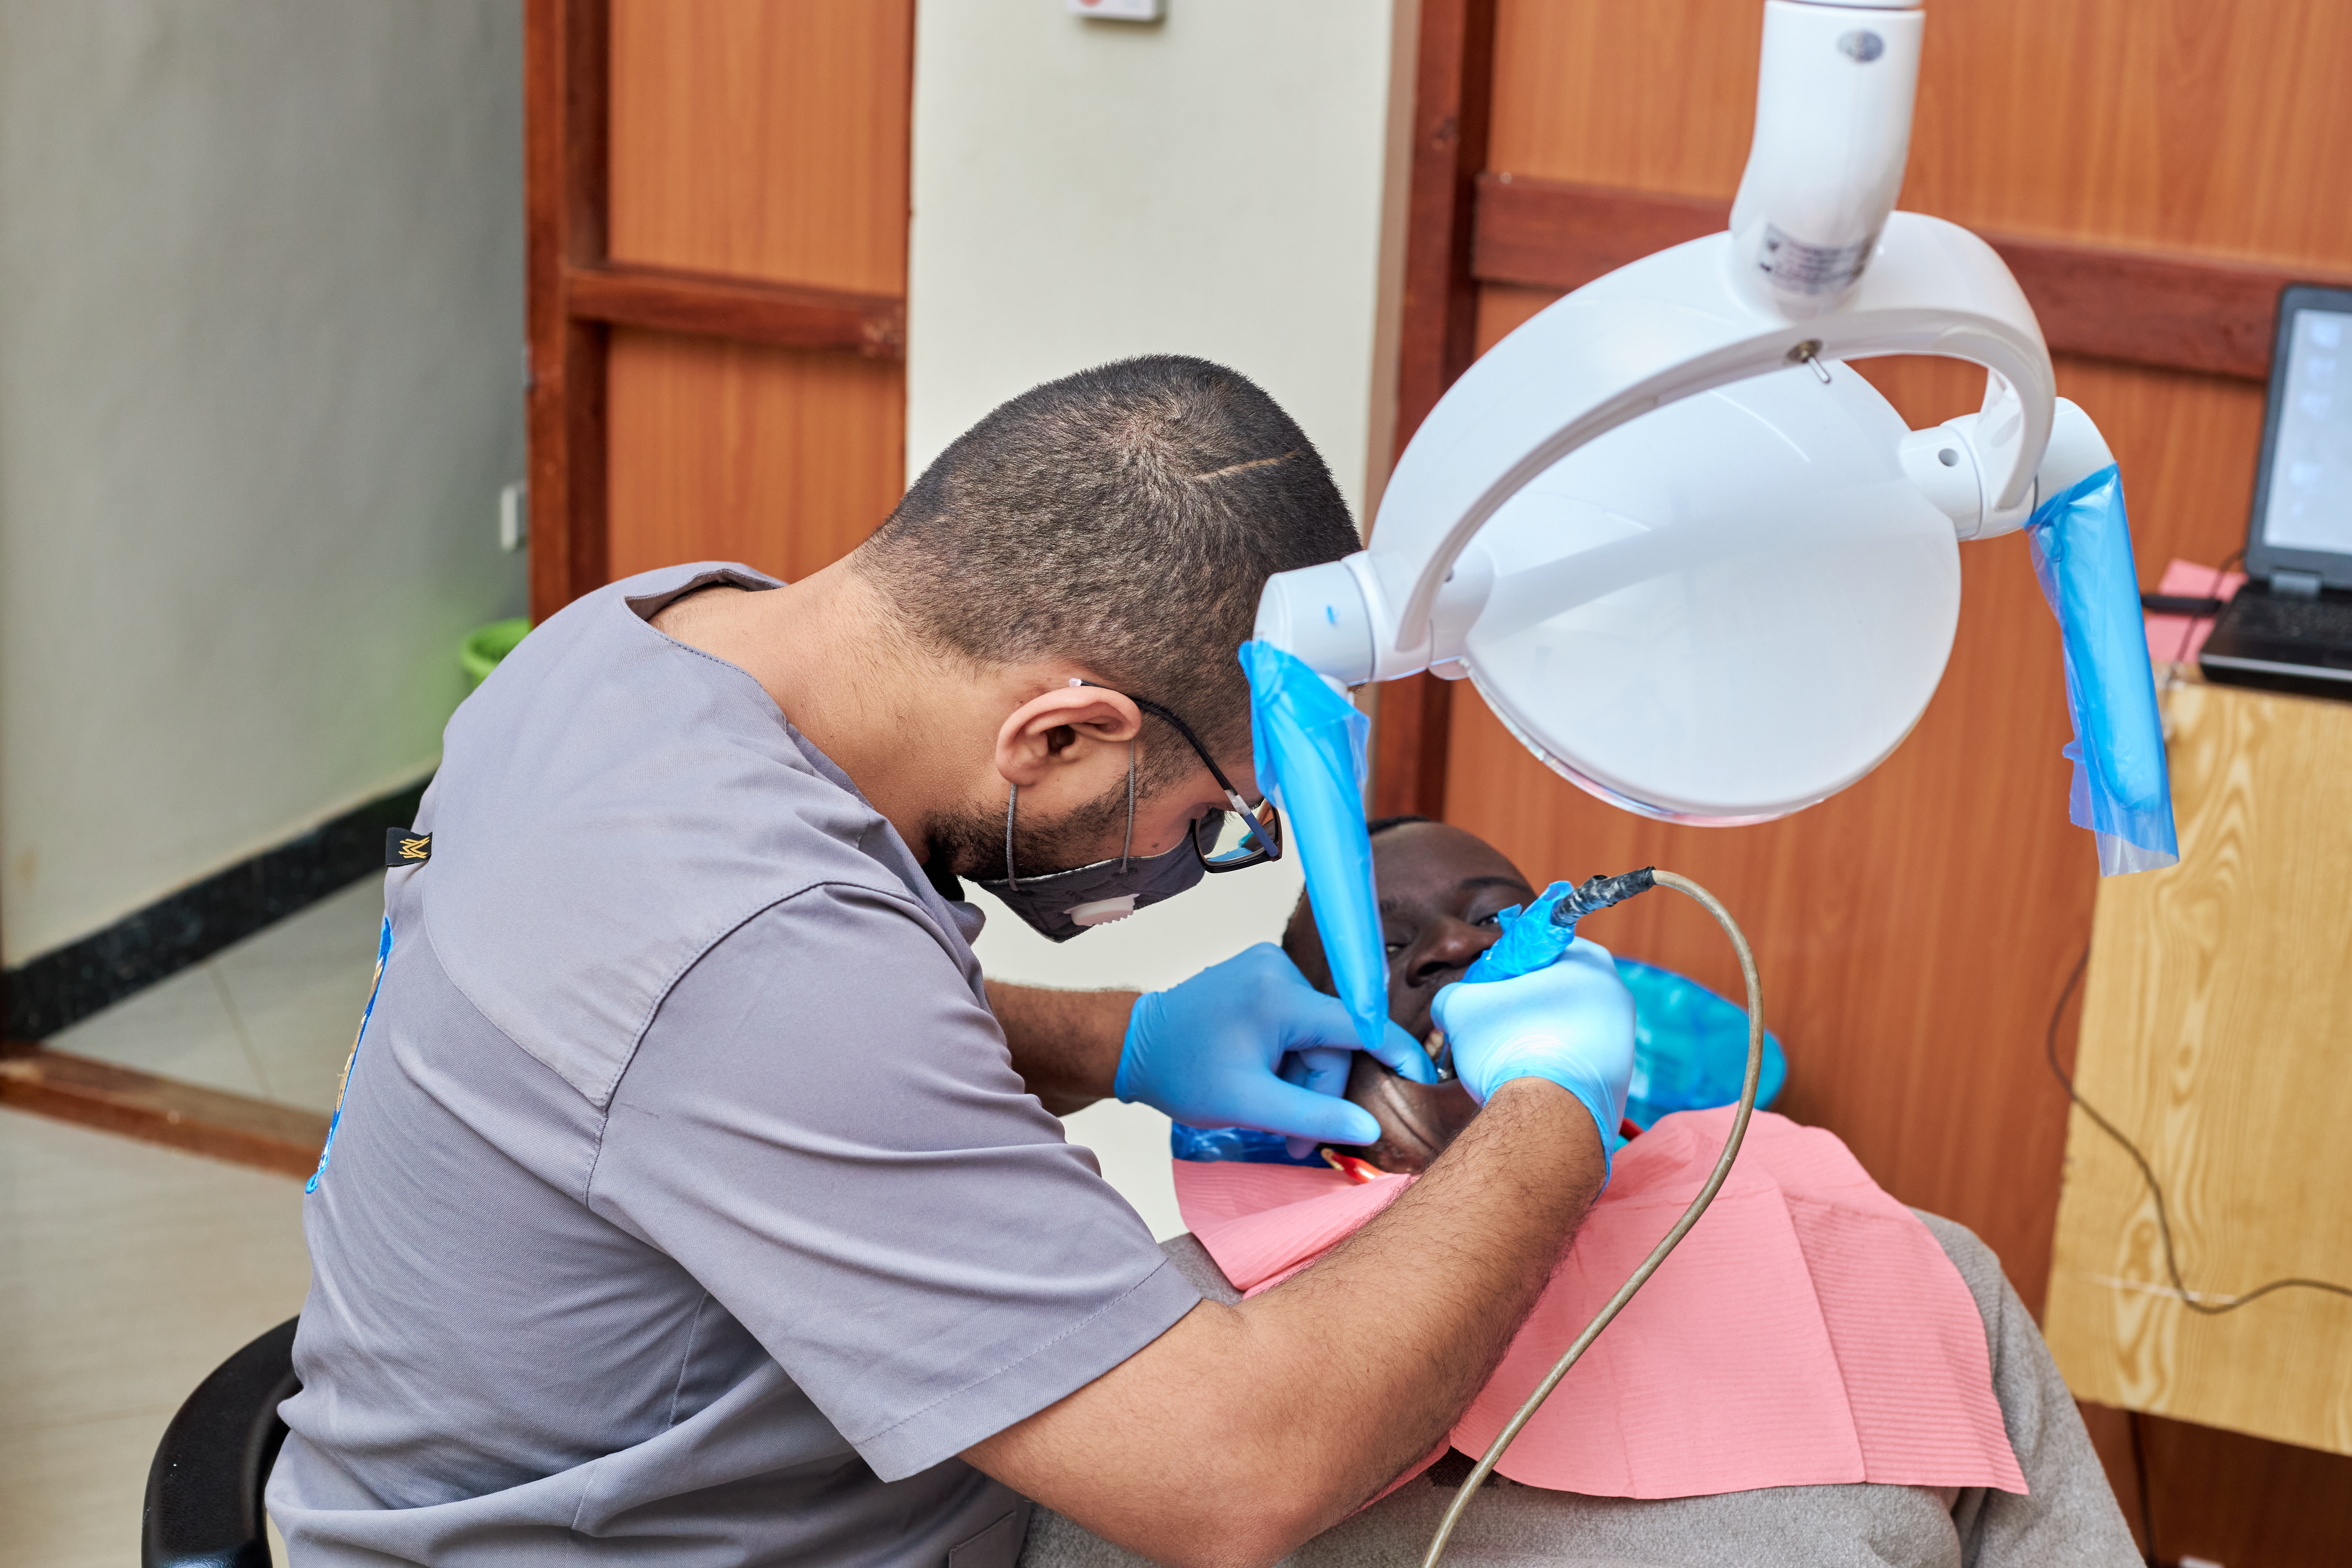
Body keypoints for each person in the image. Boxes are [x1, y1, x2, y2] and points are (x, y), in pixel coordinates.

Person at [267, 357, 1644, 1568]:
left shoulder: (640, 639)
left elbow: (681, 1039)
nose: (1195, 850)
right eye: (1210, 817)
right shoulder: (762, 961)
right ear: (1058, 734)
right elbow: (1237, 1479)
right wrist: (1556, 1112)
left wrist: (1125, 1039)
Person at [1020, 817, 2142, 1567]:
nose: (1455, 948)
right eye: (1384, 947)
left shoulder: (1900, 1263)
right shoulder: (1162, 1332)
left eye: (1501, 915)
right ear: (1307, 1056)